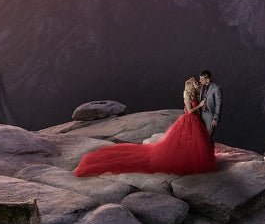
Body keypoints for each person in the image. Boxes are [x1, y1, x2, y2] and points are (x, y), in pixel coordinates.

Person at [73, 76, 217, 177]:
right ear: (191, 87)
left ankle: (189, 158)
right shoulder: (187, 96)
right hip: (189, 119)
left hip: (194, 120)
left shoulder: (194, 94)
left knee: (191, 143)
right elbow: (190, 110)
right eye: (196, 84)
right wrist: (200, 105)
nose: (197, 85)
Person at [198, 70, 222, 143]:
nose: (200, 81)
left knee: (207, 136)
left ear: (207, 80)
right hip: (201, 113)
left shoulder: (216, 88)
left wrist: (215, 118)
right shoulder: (202, 86)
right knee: (200, 135)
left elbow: (218, 104)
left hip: (209, 114)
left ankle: (208, 152)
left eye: (202, 80)